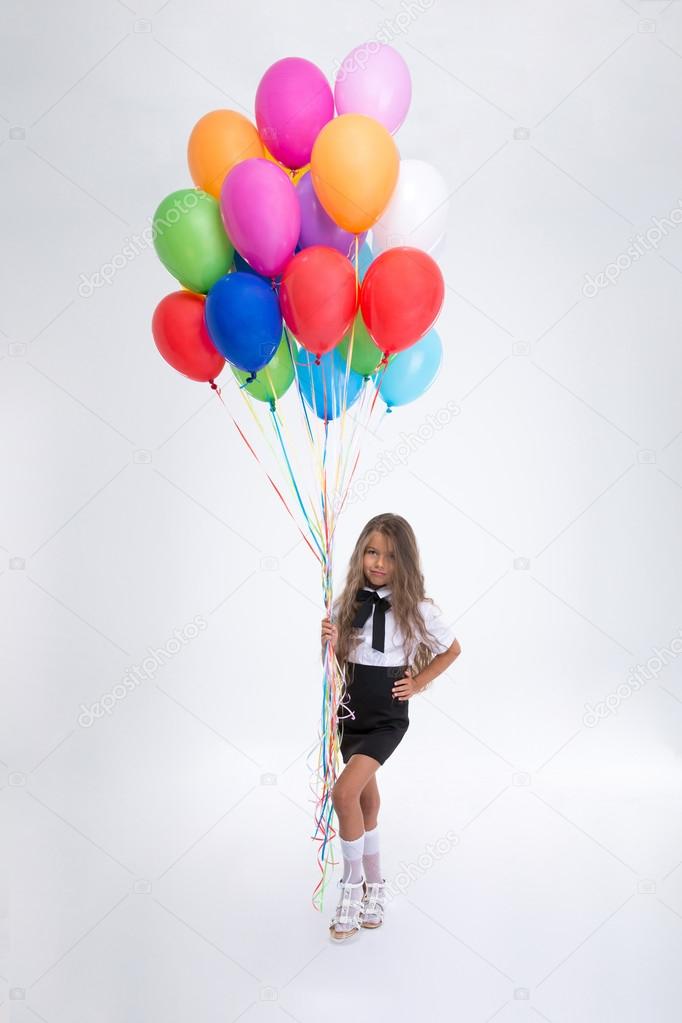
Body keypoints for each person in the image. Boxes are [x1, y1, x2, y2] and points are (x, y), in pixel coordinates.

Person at [320, 513, 462, 941]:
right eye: (372, 551)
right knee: (364, 802)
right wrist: (326, 638)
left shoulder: (417, 609)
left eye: (391, 556)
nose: (379, 562)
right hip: (349, 712)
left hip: (386, 716)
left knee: (343, 793)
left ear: (406, 562)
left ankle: (350, 886)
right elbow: (336, 663)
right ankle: (376, 886)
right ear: (361, 554)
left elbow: (452, 649)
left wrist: (417, 683)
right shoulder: (347, 603)